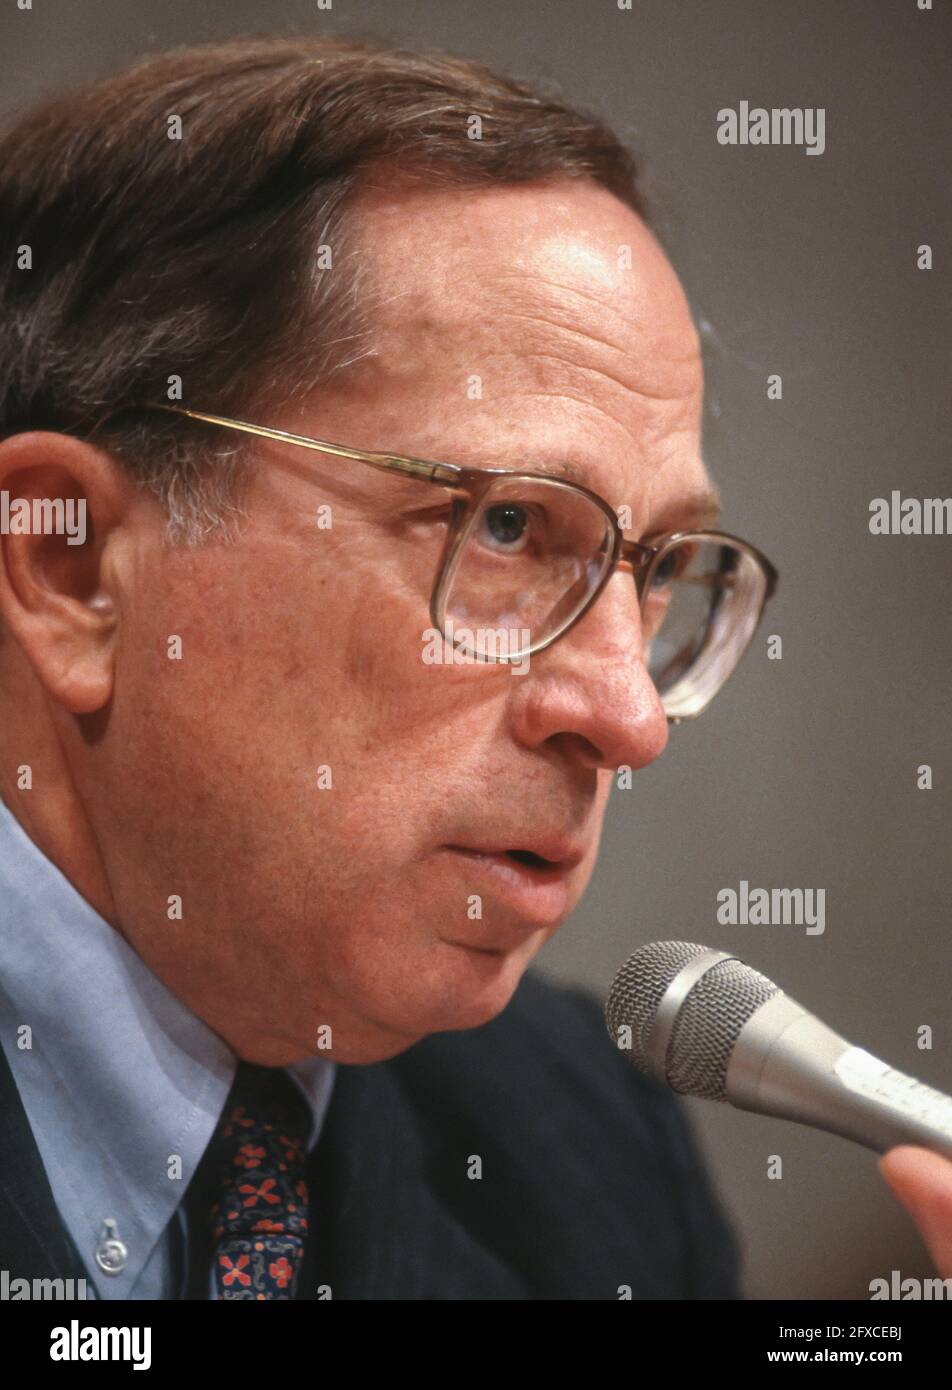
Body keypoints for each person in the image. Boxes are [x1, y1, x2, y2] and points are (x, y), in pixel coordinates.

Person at [0, 34, 946, 1301]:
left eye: (660, 566)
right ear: (71, 570)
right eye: (504, 526)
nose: (626, 718)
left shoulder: (587, 1148)